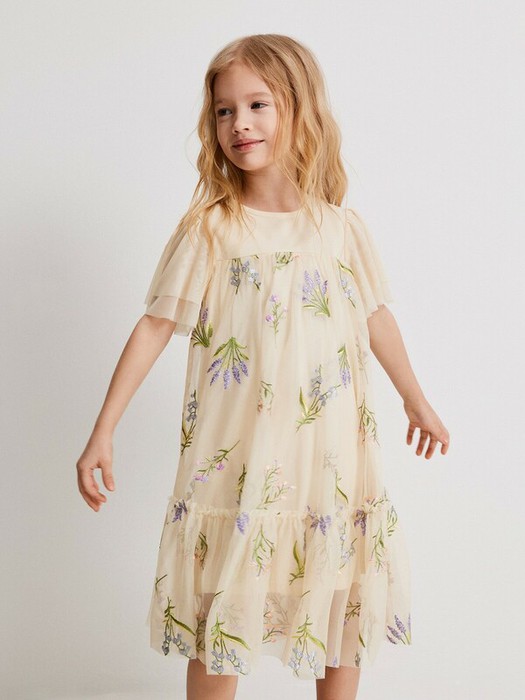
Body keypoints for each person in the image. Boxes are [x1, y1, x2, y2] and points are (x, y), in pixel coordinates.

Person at [76, 33, 450, 700]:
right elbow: (156, 324)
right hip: (239, 460)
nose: (239, 124)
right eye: (224, 110)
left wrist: (415, 399)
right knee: (223, 610)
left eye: (256, 105)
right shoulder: (211, 228)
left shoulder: (340, 229)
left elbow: (374, 318)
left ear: (299, 109)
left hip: (328, 459)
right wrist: (103, 429)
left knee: (337, 603)